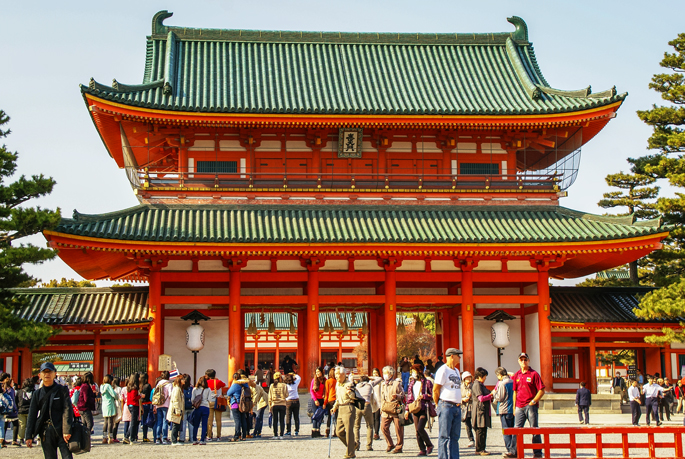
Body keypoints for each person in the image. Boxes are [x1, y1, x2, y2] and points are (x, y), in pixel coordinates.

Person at [24, 363, 74, 459]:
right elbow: (32, 415)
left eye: (49, 372)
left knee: (67, 457)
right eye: (44, 372)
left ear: (55, 373)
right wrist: (29, 435)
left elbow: (67, 409)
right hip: (45, 431)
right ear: (40, 375)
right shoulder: (37, 394)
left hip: (62, 429)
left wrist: (67, 430)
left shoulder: (62, 390)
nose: (47, 374)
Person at [513, 352, 545, 459]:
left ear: (528, 361)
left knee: (534, 429)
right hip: (519, 405)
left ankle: (537, 452)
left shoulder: (534, 374)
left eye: (525, 359)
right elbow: (515, 392)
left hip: (530, 405)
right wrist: (514, 407)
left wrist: (534, 401)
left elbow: (541, 390)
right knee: (517, 429)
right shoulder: (517, 375)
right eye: (521, 360)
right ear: (518, 361)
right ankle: (514, 451)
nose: (523, 361)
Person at [433, 347, 463, 459]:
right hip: (446, 405)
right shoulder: (443, 370)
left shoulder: (456, 371)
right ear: (451, 356)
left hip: (457, 406)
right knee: (444, 436)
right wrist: (438, 404)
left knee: (455, 436)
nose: (459, 357)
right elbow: (436, 389)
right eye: (457, 355)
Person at [405, 364, 434, 456]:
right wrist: (407, 410)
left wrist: (424, 396)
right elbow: (409, 398)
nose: (413, 374)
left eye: (414, 372)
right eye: (412, 372)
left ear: (419, 372)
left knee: (420, 427)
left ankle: (429, 444)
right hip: (414, 407)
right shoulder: (411, 384)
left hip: (424, 407)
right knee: (417, 431)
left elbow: (432, 395)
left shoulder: (427, 383)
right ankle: (422, 449)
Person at [331, 366, 358, 459]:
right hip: (340, 408)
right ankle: (353, 445)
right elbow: (338, 398)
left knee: (349, 431)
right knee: (338, 432)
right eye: (335, 375)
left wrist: (349, 392)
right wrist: (334, 407)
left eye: (337, 374)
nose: (336, 377)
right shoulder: (337, 384)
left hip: (348, 407)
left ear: (343, 374)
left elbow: (354, 396)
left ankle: (350, 453)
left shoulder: (349, 384)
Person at [380, 365, 404, 454]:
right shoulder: (382, 384)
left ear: (390, 374)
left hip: (395, 408)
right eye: (383, 373)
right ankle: (390, 443)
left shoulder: (396, 384)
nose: (384, 375)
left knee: (398, 429)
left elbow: (402, 396)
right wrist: (381, 407)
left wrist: (397, 396)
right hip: (386, 409)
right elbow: (381, 397)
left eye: (386, 373)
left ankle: (399, 446)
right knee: (383, 427)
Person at [493, 367, 516, 459]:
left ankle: (509, 449)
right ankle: (514, 449)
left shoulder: (503, 383)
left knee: (506, 430)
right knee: (513, 430)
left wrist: (494, 394)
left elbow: (500, 397)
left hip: (504, 409)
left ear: (499, 375)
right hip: (513, 408)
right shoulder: (513, 382)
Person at [354, 374, 381, 452]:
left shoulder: (356, 386)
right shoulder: (369, 384)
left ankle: (357, 444)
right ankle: (369, 445)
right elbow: (379, 379)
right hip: (367, 405)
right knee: (369, 425)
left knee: (356, 426)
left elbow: (351, 377)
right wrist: (371, 377)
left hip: (358, 406)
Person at [471, 367, 492, 456]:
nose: (485, 378)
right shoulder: (477, 385)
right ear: (480, 376)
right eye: (484, 376)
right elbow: (481, 398)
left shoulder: (480, 384)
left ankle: (482, 448)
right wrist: (491, 395)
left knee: (483, 430)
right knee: (480, 430)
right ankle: (479, 449)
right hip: (479, 410)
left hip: (482, 410)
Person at [226, 373, 249, 441]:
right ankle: (244, 436)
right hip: (243, 405)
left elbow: (228, 393)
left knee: (237, 421)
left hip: (235, 404)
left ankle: (236, 436)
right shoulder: (245, 385)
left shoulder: (235, 385)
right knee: (243, 420)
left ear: (235, 378)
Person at [205, 369, 226, 441]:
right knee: (218, 420)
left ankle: (209, 436)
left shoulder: (206, 382)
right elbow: (224, 385)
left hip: (209, 402)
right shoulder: (218, 382)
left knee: (209, 420)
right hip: (218, 402)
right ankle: (218, 436)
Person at [153, 371, 172, 444]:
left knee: (159, 421)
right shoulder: (169, 384)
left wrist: (154, 405)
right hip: (166, 404)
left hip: (158, 404)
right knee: (165, 421)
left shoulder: (159, 383)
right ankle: (164, 437)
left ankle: (158, 437)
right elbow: (170, 395)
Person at [191, 376, 211, 445]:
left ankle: (194, 439)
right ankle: (202, 440)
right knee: (204, 424)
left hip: (197, 408)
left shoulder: (195, 389)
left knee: (196, 424)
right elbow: (210, 399)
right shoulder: (208, 389)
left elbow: (192, 399)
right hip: (205, 407)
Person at [16, 378, 36, 446]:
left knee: (22, 425)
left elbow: (16, 401)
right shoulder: (34, 392)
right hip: (31, 411)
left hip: (21, 410)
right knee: (31, 425)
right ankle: (31, 437)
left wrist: (18, 408)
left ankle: (21, 439)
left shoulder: (19, 392)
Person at [268, 372, 288, 439]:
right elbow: (286, 395)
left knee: (275, 420)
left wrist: (270, 406)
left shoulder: (272, 386)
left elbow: (269, 397)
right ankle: (281, 434)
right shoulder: (284, 385)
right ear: (280, 378)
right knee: (282, 420)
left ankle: (275, 435)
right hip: (282, 404)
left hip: (274, 404)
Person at [100, 375, 118, 444]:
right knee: (110, 421)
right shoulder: (108, 386)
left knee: (105, 422)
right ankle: (110, 437)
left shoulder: (102, 386)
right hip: (110, 404)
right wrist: (117, 398)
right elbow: (113, 394)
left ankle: (104, 437)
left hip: (104, 404)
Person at [1, 374, 18, 446]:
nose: (13, 383)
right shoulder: (11, 390)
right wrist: (15, 409)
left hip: (3, 409)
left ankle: (3, 440)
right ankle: (14, 440)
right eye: (12, 382)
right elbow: (12, 401)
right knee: (16, 424)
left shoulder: (3, 389)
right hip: (10, 410)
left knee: (4, 425)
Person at [168, 375, 185, 445]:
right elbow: (176, 400)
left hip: (178, 409)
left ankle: (175, 440)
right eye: (183, 379)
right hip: (176, 409)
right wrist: (177, 410)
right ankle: (174, 440)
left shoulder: (179, 388)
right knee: (175, 425)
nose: (184, 380)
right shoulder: (177, 389)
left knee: (177, 425)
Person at [125, 373, 141, 444]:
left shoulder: (129, 387)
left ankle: (127, 436)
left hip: (130, 405)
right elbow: (134, 398)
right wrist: (140, 396)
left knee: (133, 422)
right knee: (133, 423)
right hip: (134, 405)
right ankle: (131, 439)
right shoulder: (135, 388)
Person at [284, 372, 301, 436]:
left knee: (288, 417)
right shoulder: (295, 384)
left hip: (288, 401)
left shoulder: (285, 385)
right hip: (296, 401)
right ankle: (296, 430)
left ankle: (288, 431)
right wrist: (294, 374)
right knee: (296, 417)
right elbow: (299, 378)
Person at [310, 367, 326, 438]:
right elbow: (311, 391)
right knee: (315, 415)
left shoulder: (325, 380)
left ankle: (318, 430)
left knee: (320, 416)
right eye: (316, 372)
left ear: (322, 372)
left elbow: (326, 390)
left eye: (318, 372)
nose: (317, 373)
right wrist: (315, 400)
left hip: (322, 399)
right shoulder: (314, 380)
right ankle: (314, 431)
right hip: (315, 400)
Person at [461, 372, 475, 448]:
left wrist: (470, 397)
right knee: (467, 424)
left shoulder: (473, 386)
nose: (468, 379)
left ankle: (478, 439)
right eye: (467, 378)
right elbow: (457, 397)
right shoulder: (461, 387)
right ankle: (471, 439)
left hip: (472, 406)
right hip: (464, 407)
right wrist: (463, 399)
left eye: (469, 377)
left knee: (474, 424)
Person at [323, 367, 337, 437]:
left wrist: (325, 403)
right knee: (337, 417)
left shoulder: (328, 381)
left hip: (330, 400)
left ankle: (327, 431)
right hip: (337, 400)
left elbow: (327, 393)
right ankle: (336, 431)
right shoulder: (337, 381)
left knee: (329, 416)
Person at [180, 374, 193, 443]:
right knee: (191, 423)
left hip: (184, 407)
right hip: (191, 406)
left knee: (183, 423)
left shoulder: (181, 388)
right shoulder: (192, 388)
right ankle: (192, 437)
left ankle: (182, 437)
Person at [139, 374, 153, 442]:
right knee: (146, 421)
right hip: (147, 404)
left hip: (140, 404)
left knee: (140, 420)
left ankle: (135, 436)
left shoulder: (139, 387)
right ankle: (145, 436)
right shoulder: (147, 386)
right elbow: (149, 396)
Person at [370, 368, 382, 441]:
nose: (375, 375)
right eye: (374, 373)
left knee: (377, 418)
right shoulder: (371, 382)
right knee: (373, 418)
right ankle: (374, 431)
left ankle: (376, 433)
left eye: (376, 373)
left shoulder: (381, 381)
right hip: (372, 401)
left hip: (379, 400)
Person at [111, 377, 124, 443]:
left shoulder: (111, 388)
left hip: (111, 405)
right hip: (117, 405)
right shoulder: (119, 389)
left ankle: (110, 435)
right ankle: (114, 436)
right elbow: (121, 398)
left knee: (111, 422)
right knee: (116, 421)